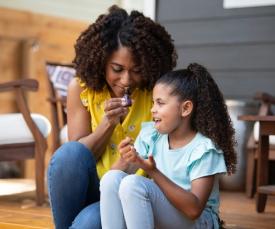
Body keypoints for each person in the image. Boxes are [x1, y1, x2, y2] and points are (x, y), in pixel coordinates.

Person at [47, 5, 177, 229]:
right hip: (92, 187)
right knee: (69, 153)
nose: (126, 80)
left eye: (136, 70)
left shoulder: (158, 91)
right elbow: (77, 159)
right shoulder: (81, 89)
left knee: (89, 221)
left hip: (132, 194)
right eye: (117, 69)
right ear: (101, 62)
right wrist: (107, 124)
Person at [100, 63, 237, 229]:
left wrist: (153, 171)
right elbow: (115, 180)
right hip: (168, 213)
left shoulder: (204, 149)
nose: (152, 110)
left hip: (200, 221)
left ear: (185, 108)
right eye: (153, 103)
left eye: (160, 103)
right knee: (111, 178)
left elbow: (194, 210)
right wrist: (125, 158)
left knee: (133, 184)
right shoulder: (152, 136)